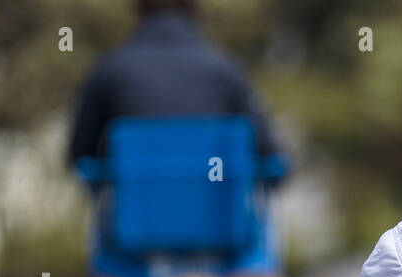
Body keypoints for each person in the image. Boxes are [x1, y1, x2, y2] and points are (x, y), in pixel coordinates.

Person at [69, 0, 283, 163]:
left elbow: (79, 155)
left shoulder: (109, 69)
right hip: (216, 220)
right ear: (195, 8)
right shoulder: (226, 70)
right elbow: (269, 155)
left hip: (134, 220)